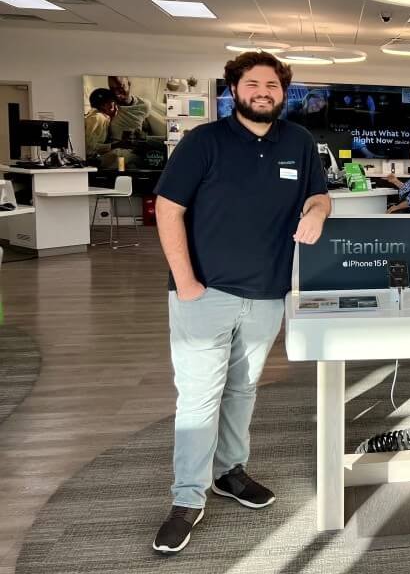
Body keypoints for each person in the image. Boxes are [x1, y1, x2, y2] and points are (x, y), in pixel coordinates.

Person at [151, 52, 331, 555]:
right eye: (252, 83)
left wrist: (317, 210)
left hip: (267, 296)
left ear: (283, 92)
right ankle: (187, 498)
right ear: (234, 89)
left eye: (272, 85)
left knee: (242, 390)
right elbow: (168, 209)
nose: (263, 92)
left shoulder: (298, 142)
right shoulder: (203, 142)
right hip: (203, 294)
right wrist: (186, 284)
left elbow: (320, 195)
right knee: (199, 397)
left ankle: (229, 471)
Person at [107, 75, 152, 141]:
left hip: (135, 147)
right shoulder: (109, 106)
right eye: (112, 89)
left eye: (120, 87)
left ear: (129, 84)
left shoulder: (145, 105)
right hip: (113, 147)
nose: (116, 93)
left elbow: (144, 124)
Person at [84, 88, 118, 157]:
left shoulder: (104, 117)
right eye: (112, 102)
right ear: (103, 105)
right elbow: (89, 147)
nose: (116, 106)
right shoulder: (97, 117)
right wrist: (115, 145)